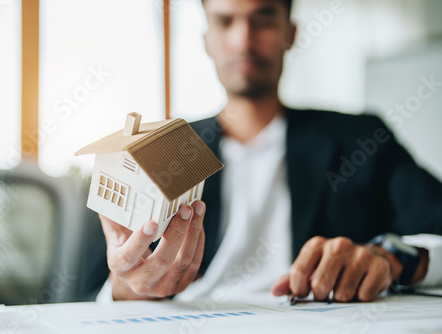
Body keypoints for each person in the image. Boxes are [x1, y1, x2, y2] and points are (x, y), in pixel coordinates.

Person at [96, 0, 442, 302]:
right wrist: (129, 287)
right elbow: (91, 285)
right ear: (207, 40)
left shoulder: (364, 140)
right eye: (225, 21)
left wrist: (393, 256)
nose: (243, 40)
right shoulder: (159, 151)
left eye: (263, 19)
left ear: (290, 33)